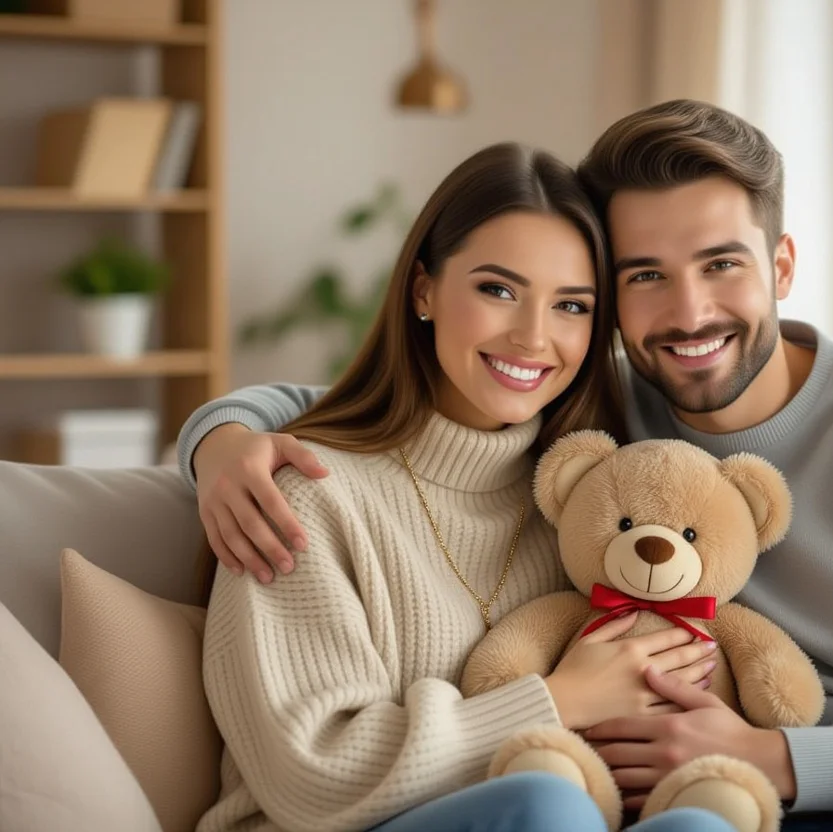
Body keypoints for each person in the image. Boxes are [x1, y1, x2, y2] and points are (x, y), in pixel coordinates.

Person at [181, 103, 833, 832]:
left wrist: (779, 755)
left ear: (779, 266)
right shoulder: (595, 418)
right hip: (694, 812)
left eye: (721, 265)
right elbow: (376, 419)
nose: (688, 312)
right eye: (644, 276)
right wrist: (222, 437)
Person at [191, 142, 735, 832]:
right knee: (545, 806)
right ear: (424, 290)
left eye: (571, 306)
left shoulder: (589, 508)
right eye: (498, 290)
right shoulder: (305, 495)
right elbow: (313, 774)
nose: (533, 337)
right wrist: (560, 700)